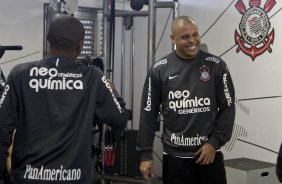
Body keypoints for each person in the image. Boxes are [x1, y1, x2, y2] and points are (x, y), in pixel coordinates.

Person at [0, 15, 127, 184]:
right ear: (80, 45)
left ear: (48, 41)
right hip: (74, 179)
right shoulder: (92, 77)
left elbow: (2, 129)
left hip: (28, 177)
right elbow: (119, 118)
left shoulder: (20, 74)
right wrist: (112, 89)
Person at [136, 15, 235, 184]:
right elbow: (148, 114)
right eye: (185, 36)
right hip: (176, 160)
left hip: (209, 155)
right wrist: (145, 154)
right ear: (173, 38)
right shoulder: (159, 70)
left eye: (195, 34)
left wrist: (214, 142)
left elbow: (228, 107)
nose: (192, 40)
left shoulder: (216, 65)